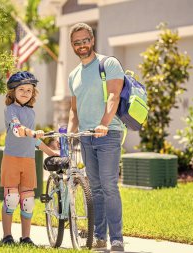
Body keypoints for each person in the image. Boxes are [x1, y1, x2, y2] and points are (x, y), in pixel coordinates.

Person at [67, 23, 125, 252]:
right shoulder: (73, 75)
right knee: (95, 188)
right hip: (86, 137)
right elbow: (74, 109)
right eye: (76, 42)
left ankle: (117, 239)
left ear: (92, 40)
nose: (81, 45)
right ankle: (100, 236)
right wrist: (71, 132)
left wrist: (104, 123)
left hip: (108, 133)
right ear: (72, 45)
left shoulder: (108, 63)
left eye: (85, 40)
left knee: (109, 186)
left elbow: (114, 95)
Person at [0, 71, 59, 245]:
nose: (26, 93)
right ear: (13, 92)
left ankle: (25, 238)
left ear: (33, 93)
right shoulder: (10, 110)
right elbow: (17, 129)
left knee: (28, 201)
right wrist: (31, 132)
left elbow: (34, 140)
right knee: (11, 199)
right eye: (21, 89)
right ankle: (7, 237)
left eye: (29, 90)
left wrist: (50, 152)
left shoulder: (31, 113)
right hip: (12, 159)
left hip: (29, 161)